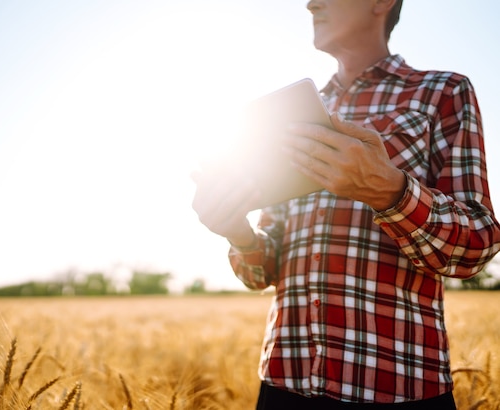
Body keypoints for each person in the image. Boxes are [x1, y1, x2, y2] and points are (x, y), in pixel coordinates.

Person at [191, 0, 500, 408]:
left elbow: (477, 247)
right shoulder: (291, 115)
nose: (310, 3)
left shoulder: (442, 93)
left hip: (396, 390)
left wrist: (389, 191)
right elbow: (262, 273)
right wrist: (237, 231)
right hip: (284, 385)